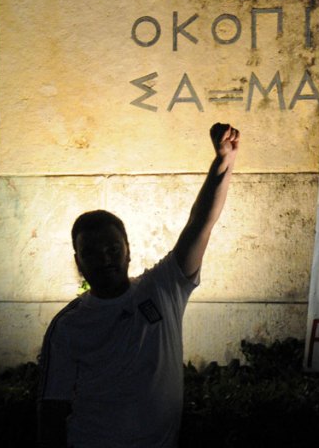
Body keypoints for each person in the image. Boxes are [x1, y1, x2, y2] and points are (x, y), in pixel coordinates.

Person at [37, 123, 240, 448]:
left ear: (128, 249)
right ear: (77, 261)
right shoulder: (68, 325)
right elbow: (52, 408)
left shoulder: (162, 288)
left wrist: (223, 162)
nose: (104, 259)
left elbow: (201, 222)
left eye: (112, 249)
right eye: (91, 252)